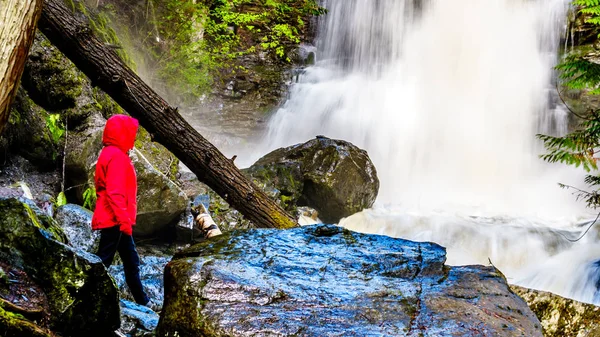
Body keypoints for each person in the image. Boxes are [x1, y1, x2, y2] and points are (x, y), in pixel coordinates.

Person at [91, 114, 151, 308]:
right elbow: (114, 193)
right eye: (131, 134)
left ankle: (143, 302)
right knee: (103, 262)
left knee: (131, 261)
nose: (133, 138)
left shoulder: (111, 153)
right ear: (121, 134)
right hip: (115, 219)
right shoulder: (116, 156)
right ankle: (87, 299)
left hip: (114, 219)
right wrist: (124, 222)